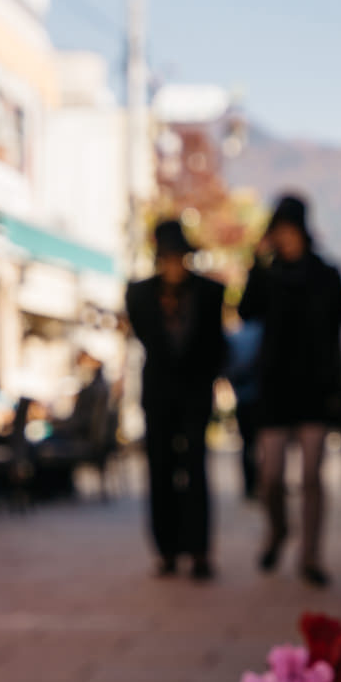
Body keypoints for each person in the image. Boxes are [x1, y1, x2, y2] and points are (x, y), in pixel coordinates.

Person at [239, 194, 341, 587]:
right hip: (274, 387)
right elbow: (246, 311)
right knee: (269, 476)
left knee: (312, 476)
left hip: (316, 388)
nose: (284, 238)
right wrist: (256, 262)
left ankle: (311, 556)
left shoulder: (327, 274)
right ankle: (278, 530)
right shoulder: (267, 276)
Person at [126, 219, 227, 579]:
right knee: (160, 470)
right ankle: (167, 549)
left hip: (195, 395)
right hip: (158, 395)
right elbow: (144, 338)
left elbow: (217, 344)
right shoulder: (139, 294)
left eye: (178, 257)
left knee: (196, 470)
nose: (173, 264)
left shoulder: (210, 293)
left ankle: (199, 550)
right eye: (168, 257)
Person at [223, 317, 264, 499]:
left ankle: (250, 485)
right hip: (259, 397)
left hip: (244, 396)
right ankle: (261, 483)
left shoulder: (235, 336)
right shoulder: (262, 333)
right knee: (261, 444)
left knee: (248, 444)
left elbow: (227, 367)